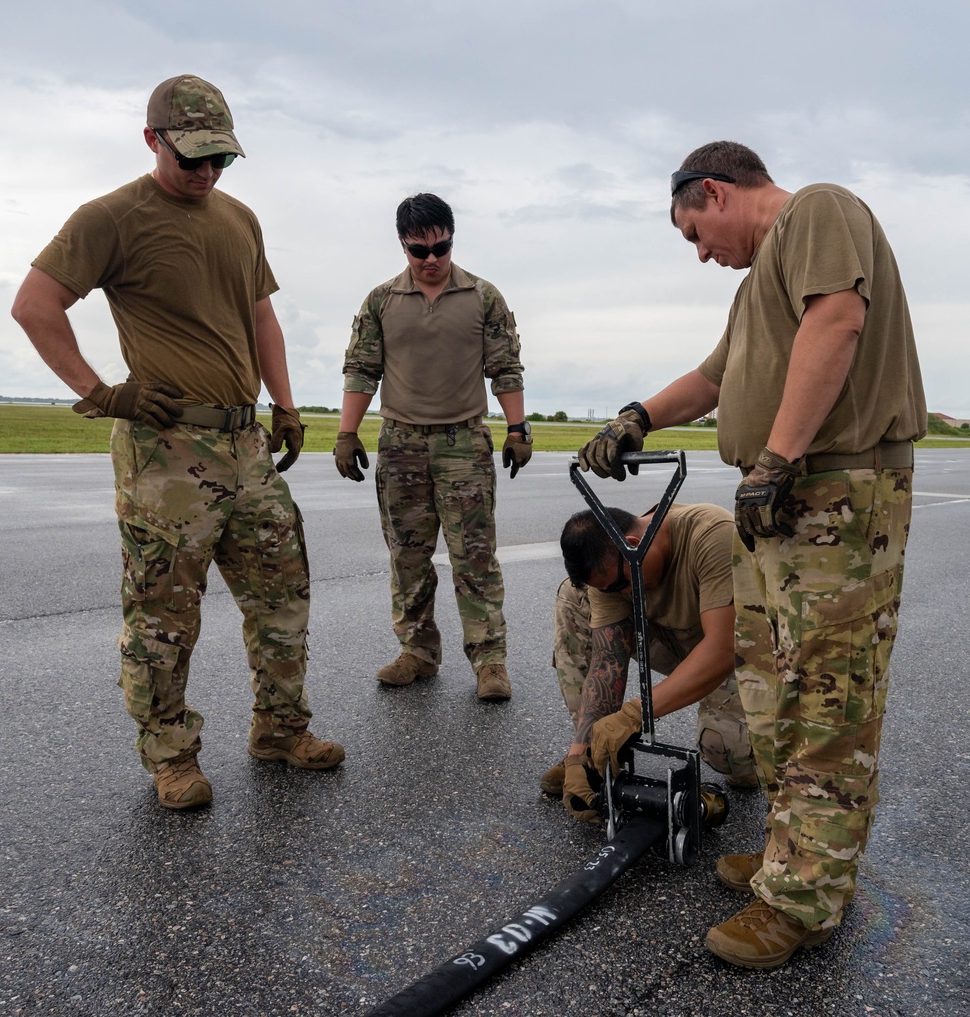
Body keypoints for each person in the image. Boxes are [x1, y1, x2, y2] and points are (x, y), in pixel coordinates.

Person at [578, 141, 926, 968]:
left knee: (824, 698)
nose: (701, 254)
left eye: (694, 232)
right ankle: (788, 859)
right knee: (774, 687)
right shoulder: (758, 284)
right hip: (780, 505)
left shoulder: (819, 212)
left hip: (832, 498)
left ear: (715, 191)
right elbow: (712, 377)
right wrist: (637, 417)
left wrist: (775, 457)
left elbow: (837, 321)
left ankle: (802, 903)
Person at [10, 74, 344, 812]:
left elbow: (261, 319)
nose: (205, 173)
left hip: (245, 444)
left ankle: (281, 729)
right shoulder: (111, 218)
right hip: (166, 450)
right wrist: (101, 392)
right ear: (152, 139)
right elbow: (34, 305)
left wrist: (284, 406)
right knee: (163, 614)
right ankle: (171, 756)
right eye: (192, 157)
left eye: (219, 159)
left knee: (282, 591)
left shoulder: (239, 219)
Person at [334, 193, 530, 701]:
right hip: (400, 443)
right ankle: (417, 652)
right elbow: (362, 370)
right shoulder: (381, 302)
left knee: (475, 557)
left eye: (441, 247)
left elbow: (505, 367)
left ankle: (490, 662)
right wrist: (346, 433)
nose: (431, 260)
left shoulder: (484, 297)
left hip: (463, 441)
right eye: (419, 250)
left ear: (451, 239)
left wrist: (517, 429)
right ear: (403, 246)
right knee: (407, 557)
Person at [550, 504, 755, 825]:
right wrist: (579, 753)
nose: (621, 593)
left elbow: (722, 648)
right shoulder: (613, 568)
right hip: (676, 644)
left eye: (620, 585)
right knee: (574, 597)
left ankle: (761, 760)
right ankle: (598, 755)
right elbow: (606, 663)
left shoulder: (712, 534)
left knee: (725, 747)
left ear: (633, 544)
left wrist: (634, 715)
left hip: (739, 654)